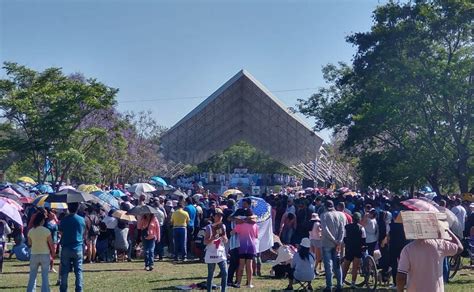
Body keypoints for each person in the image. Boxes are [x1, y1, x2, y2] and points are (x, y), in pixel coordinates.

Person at [396, 229, 463, 292]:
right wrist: (448, 230)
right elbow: (459, 248)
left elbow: (401, 276)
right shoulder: (440, 244)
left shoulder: (407, 249)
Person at [59, 202, 86, 292]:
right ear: (77, 208)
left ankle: (63, 289)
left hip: (66, 247)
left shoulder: (64, 220)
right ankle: (79, 289)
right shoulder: (82, 220)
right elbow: (83, 232)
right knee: (78, 271)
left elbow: (61, 232)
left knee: (64, 271)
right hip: (78, 247)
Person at [320, 200, 346, 292]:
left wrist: (334, 240)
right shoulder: (341, 215)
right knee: (337, 265)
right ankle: (340, 285)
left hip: (327, 243)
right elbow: (342, 229)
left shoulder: (324, 215)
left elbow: (325, 230)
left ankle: (329, 286)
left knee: (328, 266)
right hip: (338, 243)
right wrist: (339, 241)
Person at [232, 207, 258, 289]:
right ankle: (249, 283)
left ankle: (238, 282)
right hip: (251, 246)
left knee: (241, 265)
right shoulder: (255, 225)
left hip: (242, 246)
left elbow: (233, 232)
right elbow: (256, 236)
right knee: (249, 265)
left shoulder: (240, 225)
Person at [27, 212, 54, 292]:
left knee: (32, 276)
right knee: (45, 276)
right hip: (45, 254)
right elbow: (51, 244)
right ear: (42, 220)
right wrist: (53, 253)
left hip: (34, 254)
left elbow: (29, 243)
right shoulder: (46, 231)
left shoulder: (31, 231)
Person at [204, 208, 228, 292]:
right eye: (218, 215)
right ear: (214, 216)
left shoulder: (223, 226)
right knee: (211, 274)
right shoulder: (209, 227)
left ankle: (223, 290)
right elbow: (205, 241)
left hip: (221, 252)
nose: (220, 217)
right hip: (211, 251)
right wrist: (213, 237)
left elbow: (226, 240)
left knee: (225, 273)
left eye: (221, 216)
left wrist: (224, 237)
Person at [341, 212, 366, 288]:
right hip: (358, 249)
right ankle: (353, 283)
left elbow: (344, 238)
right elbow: (363, 239)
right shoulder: (361, 228)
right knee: (355, 267)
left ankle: (341, 282)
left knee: (345, 267)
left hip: (349, 249)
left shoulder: (347, 227)